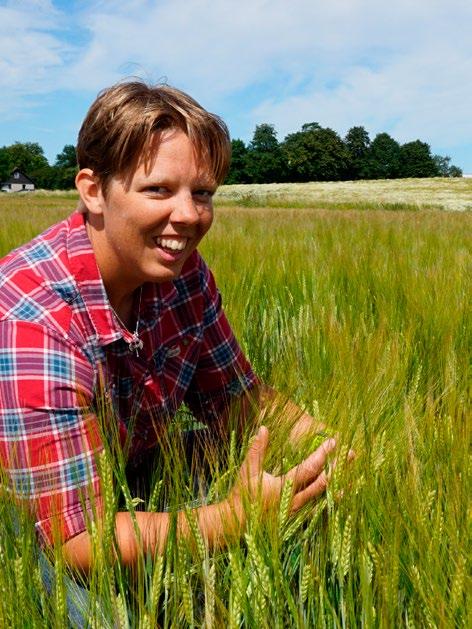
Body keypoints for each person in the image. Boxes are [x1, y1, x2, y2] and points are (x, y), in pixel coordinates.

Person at [0, 81, 337, 577]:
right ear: (93, 191)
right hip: (42, 517)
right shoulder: (31, 318)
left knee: (312, 510)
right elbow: (75, 539)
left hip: (140, 469)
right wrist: (236, 520)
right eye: (158, 189)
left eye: (202, 193)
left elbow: (238, 400)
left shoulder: (184, 274)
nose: (188, 215)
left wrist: (329, 448)